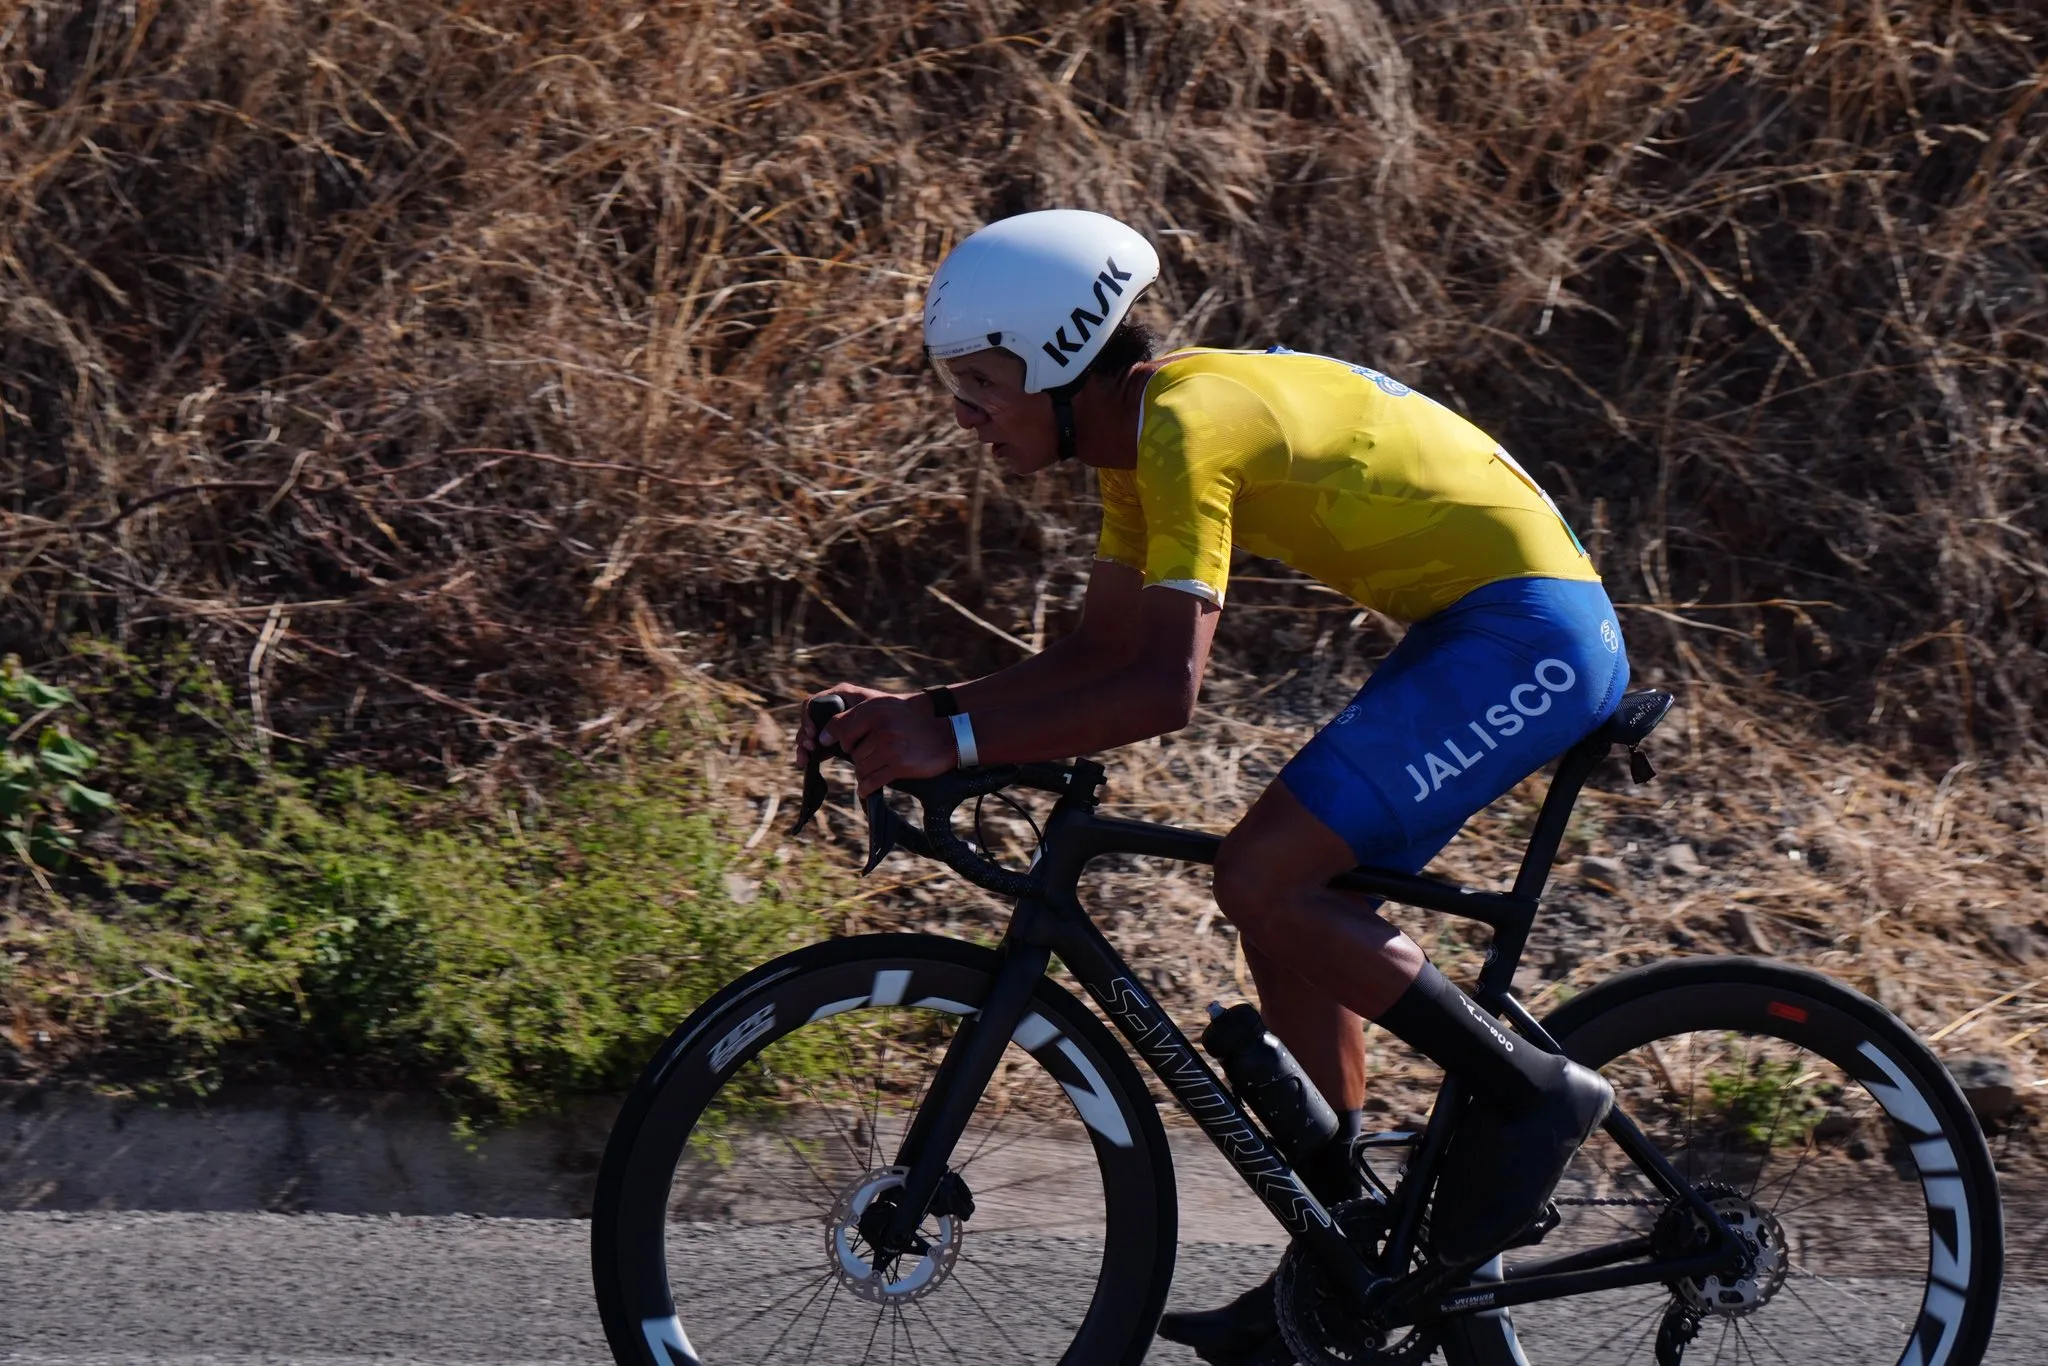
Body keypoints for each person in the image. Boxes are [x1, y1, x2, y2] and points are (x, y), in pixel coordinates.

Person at [795, 209, 1629, 1364]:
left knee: (1265, 872)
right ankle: (1341, 1250)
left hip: (1533, 633)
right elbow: (1095, 656)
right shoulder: (1136, 439)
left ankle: (1533, 1095)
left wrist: (963, 741)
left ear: (1056, 361)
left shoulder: (1185, 424)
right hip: (1473, 624)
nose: (963, 411)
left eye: (982, 380)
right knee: (1282, 909)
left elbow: (1161, 688)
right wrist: (931, 714)